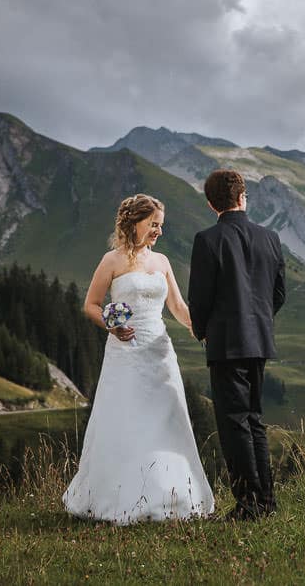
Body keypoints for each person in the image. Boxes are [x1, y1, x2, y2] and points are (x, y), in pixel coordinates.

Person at [63, 193, 215, 524]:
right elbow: (90, 304)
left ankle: (172, 497)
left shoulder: (161, 262)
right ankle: (119, 497)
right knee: (126, 420)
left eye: (161, 225)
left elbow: (177, 307)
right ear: (135, 222)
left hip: (159, 350)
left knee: (167, 419)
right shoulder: (111, 261)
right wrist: (112, 327)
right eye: (154, 224)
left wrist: (202, 330)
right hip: (124, 353)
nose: (159, 231)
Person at [189, 169, 285, 521]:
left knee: (233, 426)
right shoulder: (270, 237)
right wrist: (258, 319)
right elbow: (278, 294)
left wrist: (203, 330)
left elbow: (199, 298)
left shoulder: (207, 240)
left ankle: (248, 505)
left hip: (226, 343)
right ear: (243, 197)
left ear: (211, 203)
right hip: (259, 341)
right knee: (255, 420)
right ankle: (266, 501)